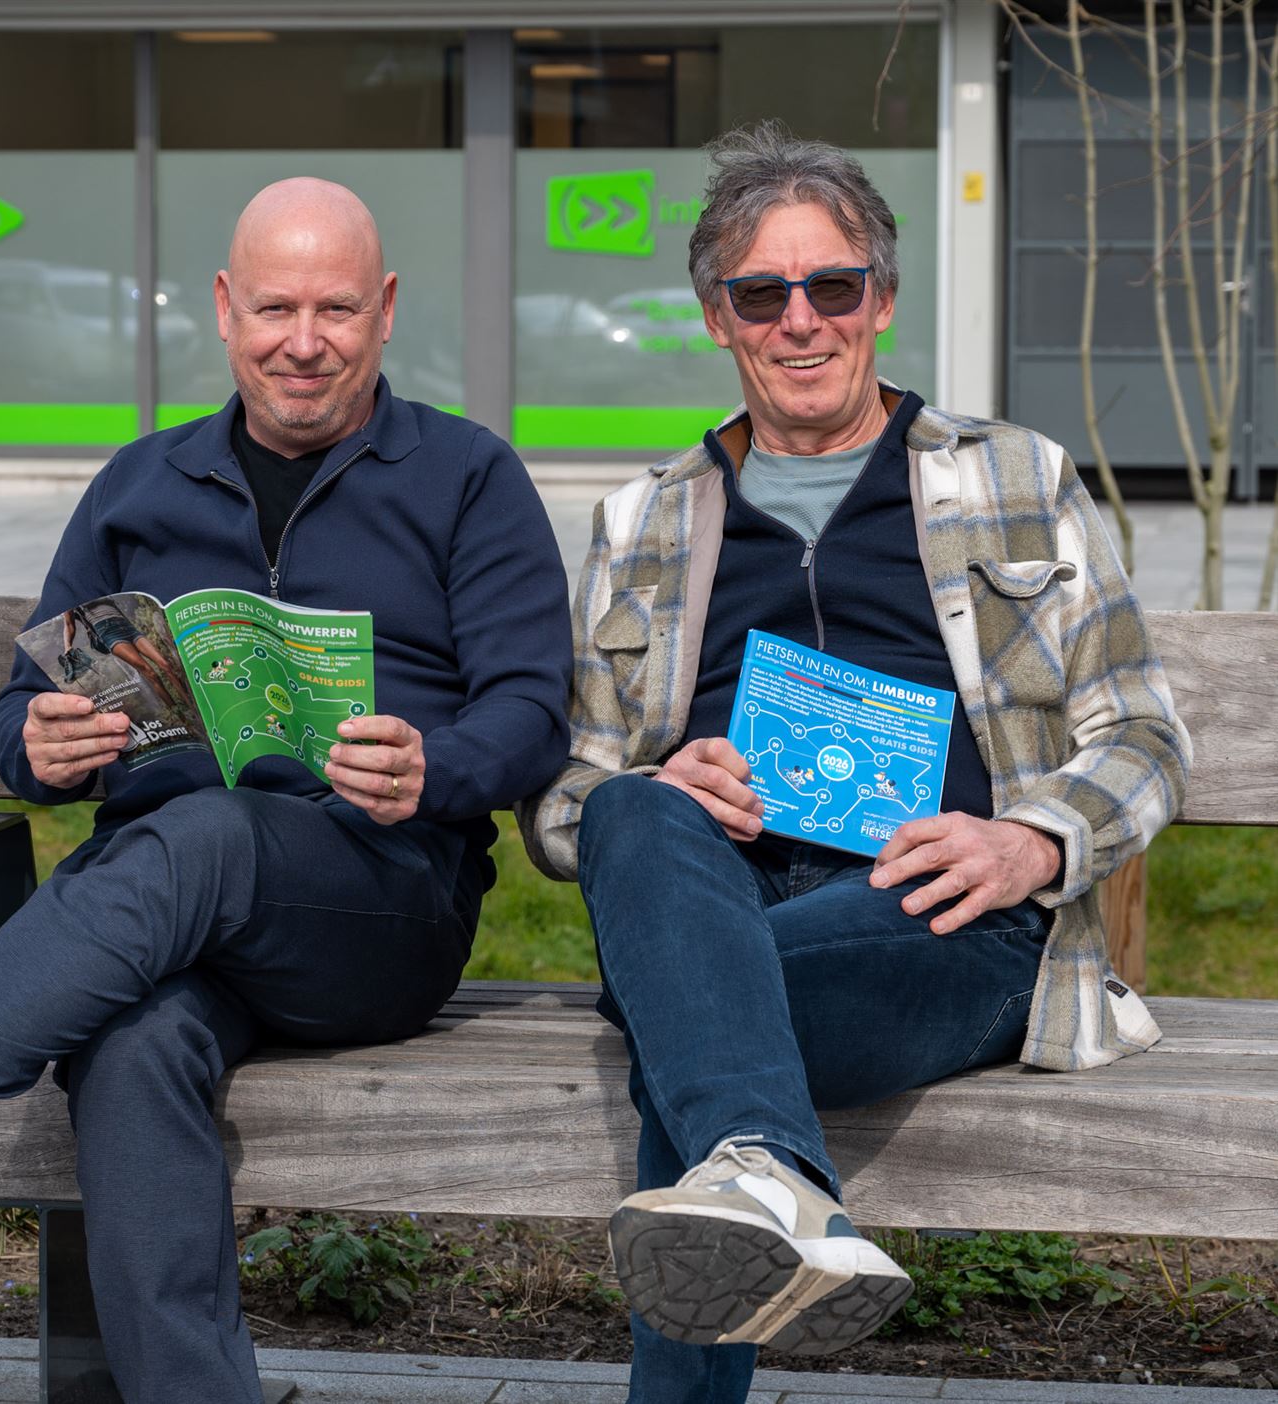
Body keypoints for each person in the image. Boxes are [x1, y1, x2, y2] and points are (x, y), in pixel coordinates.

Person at [0, 178, 573, 1404]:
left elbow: (531, 715)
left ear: (385, 309)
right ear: (224, 309)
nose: (303, 341)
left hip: (376, 905)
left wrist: (435, 766)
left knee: (210, 831)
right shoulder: (140, 483)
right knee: (126, 1044)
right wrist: (44, 745)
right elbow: (19, 708)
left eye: (335, 309)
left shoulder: (466, 476)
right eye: (274, 308)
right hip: (162, 918)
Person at [519, 122, 1190, 1404]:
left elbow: (1143, 732)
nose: (800, 321)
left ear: (879, 298)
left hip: (938, 920)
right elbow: (562, 798)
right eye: (759, 294)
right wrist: (653, 784)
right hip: (710, 893)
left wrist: (1028, 841)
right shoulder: (642, 519)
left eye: (831, 286)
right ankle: (770, 1177)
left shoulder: (1015, 478)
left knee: (689, 1024)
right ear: (715, 318)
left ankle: (744, 1162)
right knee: (631, 816)